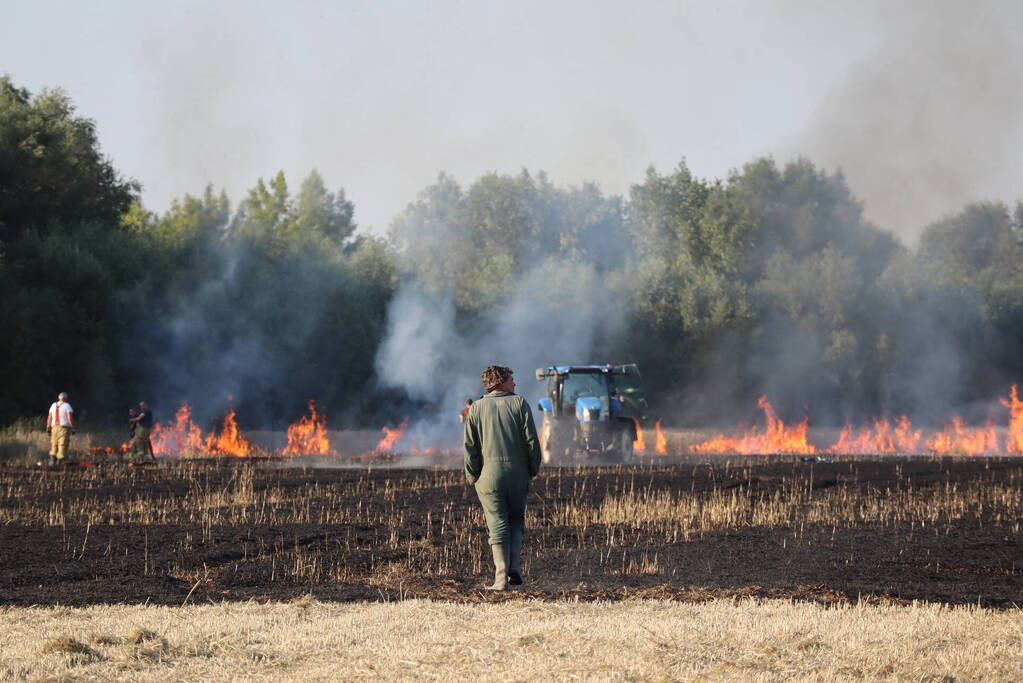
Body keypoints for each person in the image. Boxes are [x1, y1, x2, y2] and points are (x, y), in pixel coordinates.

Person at [463, 365, 541, 590]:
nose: (514, 383)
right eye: (511, 379)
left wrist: (473, 476)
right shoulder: (519, 403)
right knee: (516, 520)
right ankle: (514, 567)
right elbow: (532, 442)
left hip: (489, 477)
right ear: (500, 381)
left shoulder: (476, 408)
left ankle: (500, 579)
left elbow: (470, 448)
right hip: (518, 475)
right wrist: (532, 469)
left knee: (497, 523)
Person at [46, 392, 75, 464]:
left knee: (54, 443)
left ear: (59, 398)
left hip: (54, 428)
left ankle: (52, 460)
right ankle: (60, 461)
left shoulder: (53, 405)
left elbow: (49, 417)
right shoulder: (67, 406)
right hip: (64, 428)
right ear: (66, 398)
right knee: (63, 444)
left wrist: (48, 427)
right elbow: (70, 417)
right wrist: (73, 427)